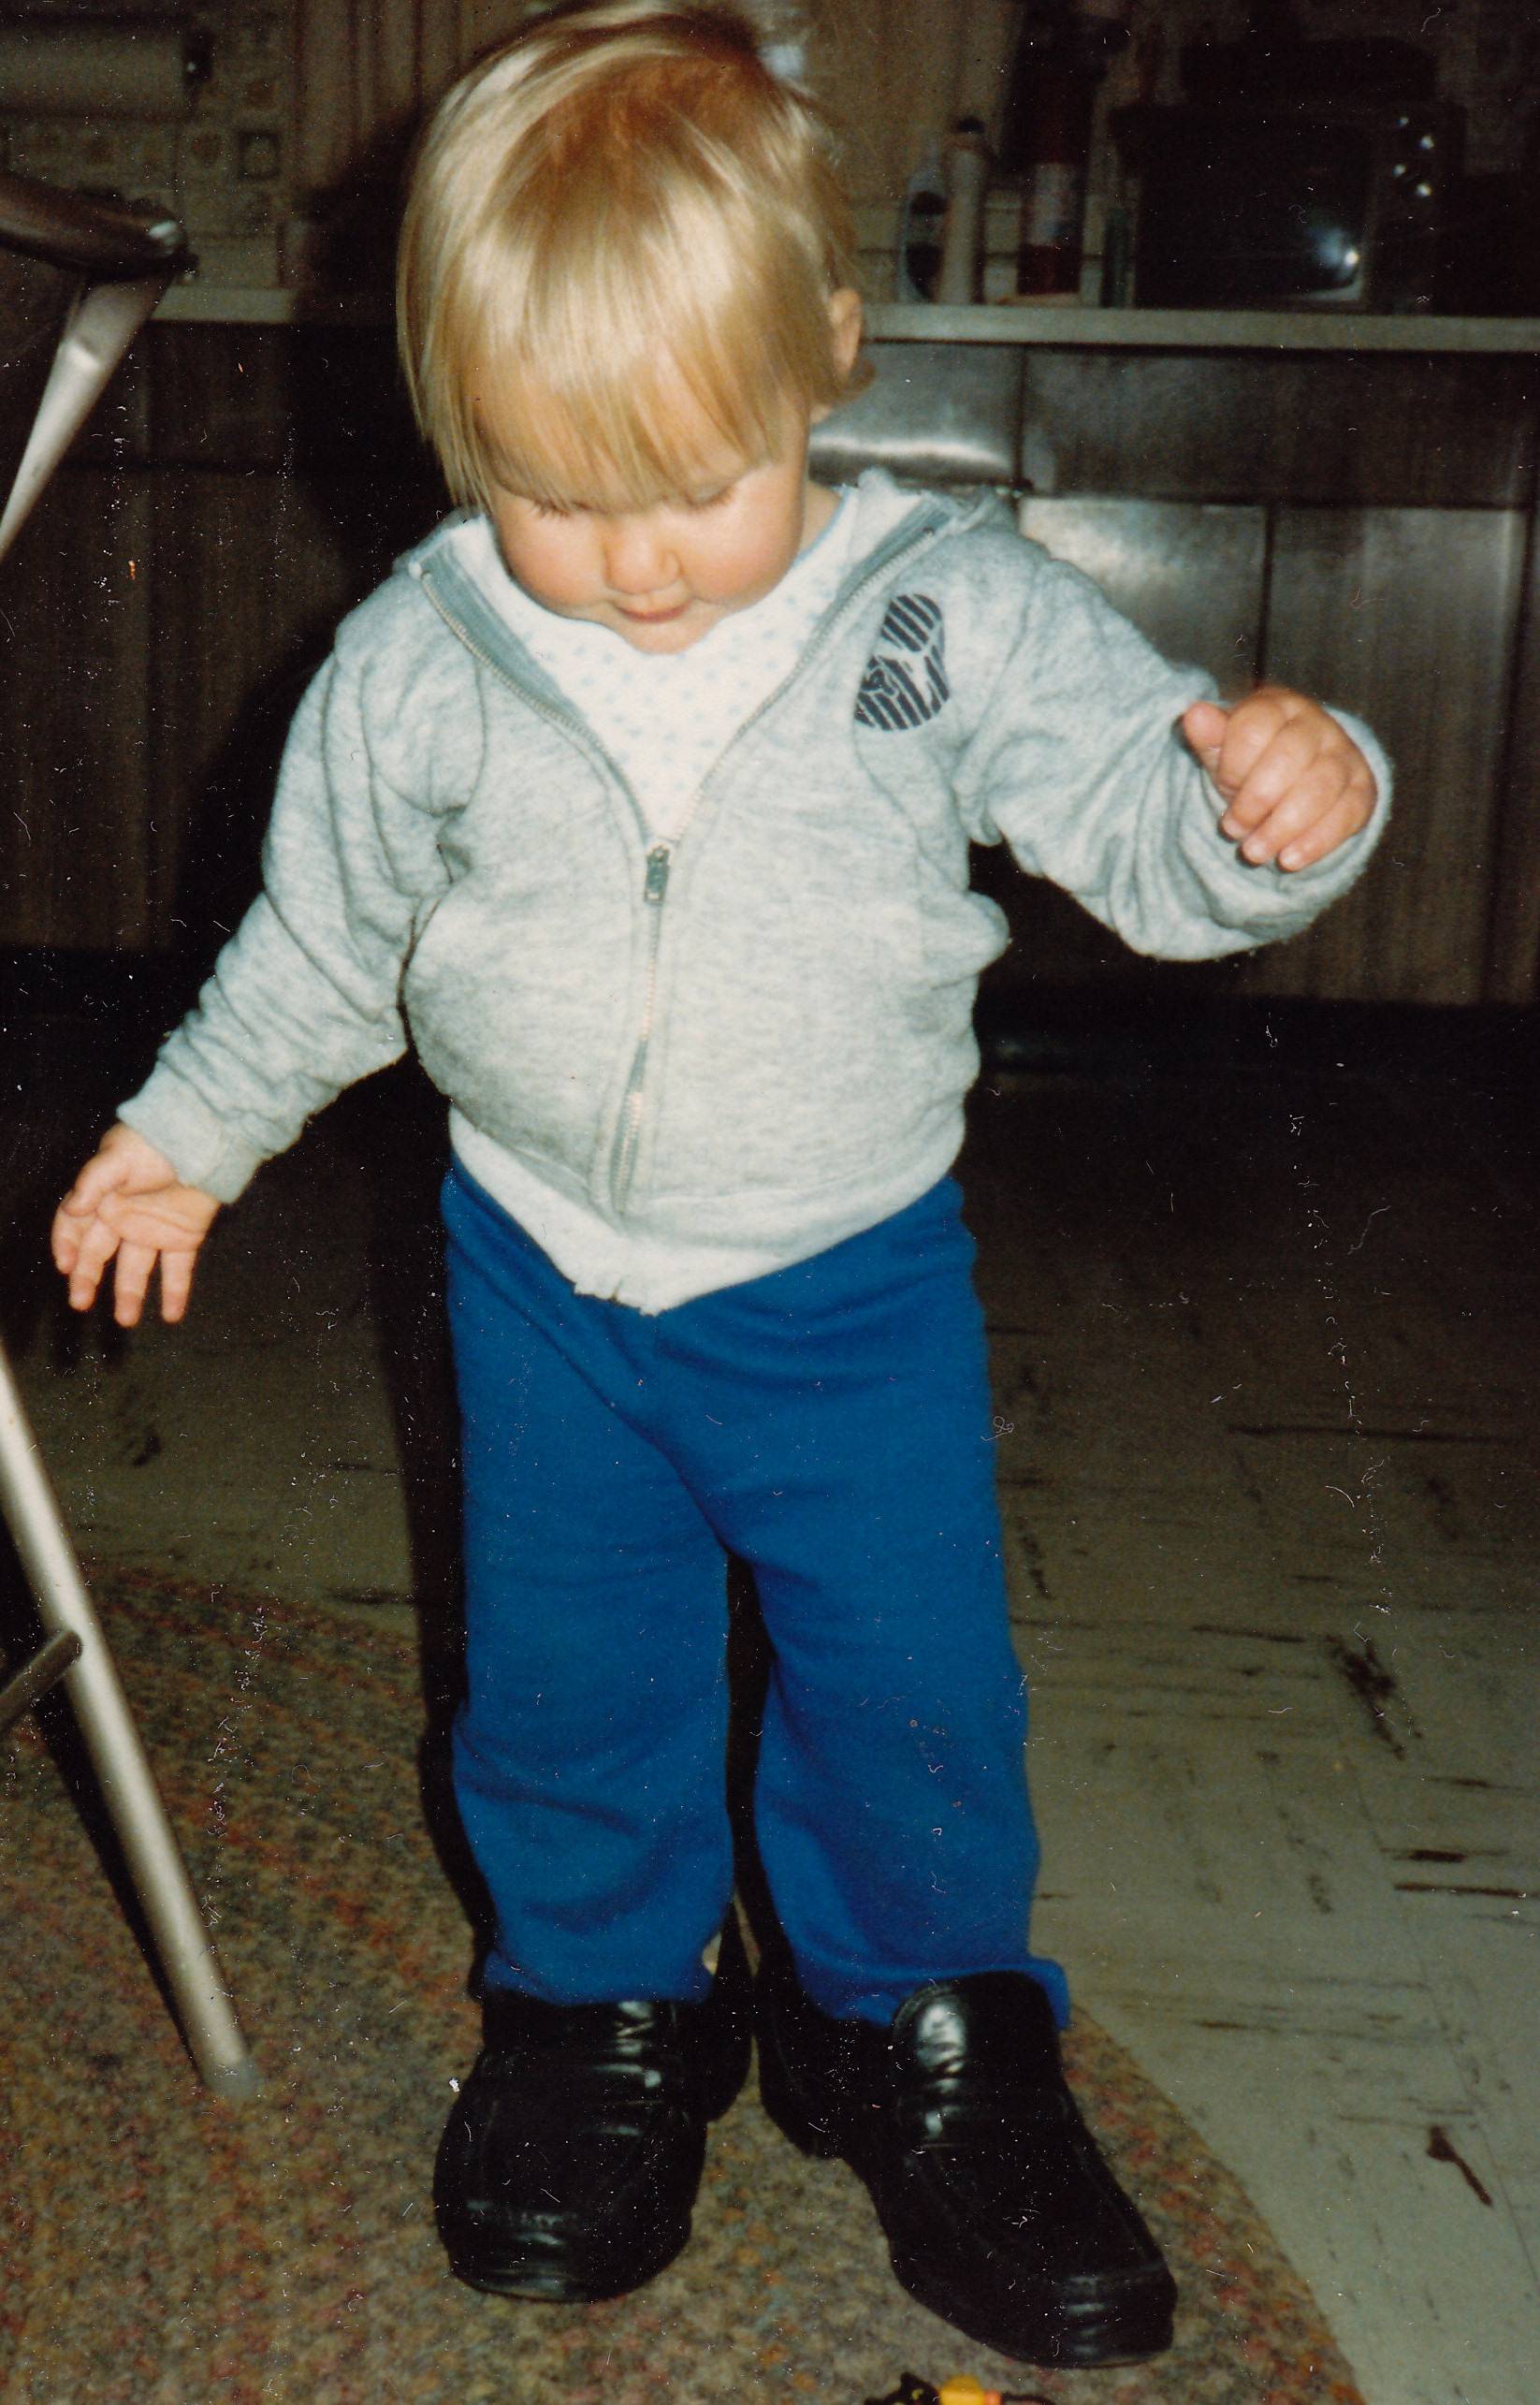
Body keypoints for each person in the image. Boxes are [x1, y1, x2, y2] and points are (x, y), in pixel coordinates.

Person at [51, 0, 1386, 2369]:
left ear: (826, 357)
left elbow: (1143, 812)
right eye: (556, 495)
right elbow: (324, 941)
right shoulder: (421, 662)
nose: (640, 563)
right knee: (569, 1680)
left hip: (845, 1280)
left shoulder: (944, 613)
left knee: (906, 1686)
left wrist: (1280, 801)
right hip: (541, 1275)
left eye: (696, 482)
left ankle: (906, 2022)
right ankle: (597, 2004)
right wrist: (187, 1131)